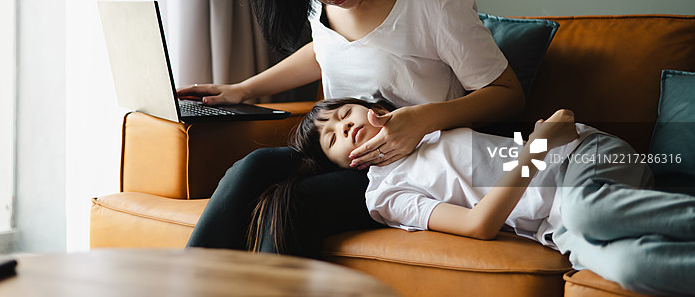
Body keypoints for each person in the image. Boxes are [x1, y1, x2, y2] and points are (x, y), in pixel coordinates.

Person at [177, 0, 525, 256]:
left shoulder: (433, 0)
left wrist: (423, 119)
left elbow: (508, 94)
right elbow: (325, 49)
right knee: (253, 168)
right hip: (342, 153)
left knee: (293, 203)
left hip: (405, 166)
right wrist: (244, 89)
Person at [267, 97, 695, 296]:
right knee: (627, 266)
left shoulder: (422, 124)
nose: (342, 127)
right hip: (557, 226)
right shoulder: (386, 194)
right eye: (331, 138)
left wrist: (546, 143)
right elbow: (479, 225)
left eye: (344, 114)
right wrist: (535, 147)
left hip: (581, 158)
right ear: (344, 166)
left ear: (370, 107)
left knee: (587, 211)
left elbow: (542, 116)